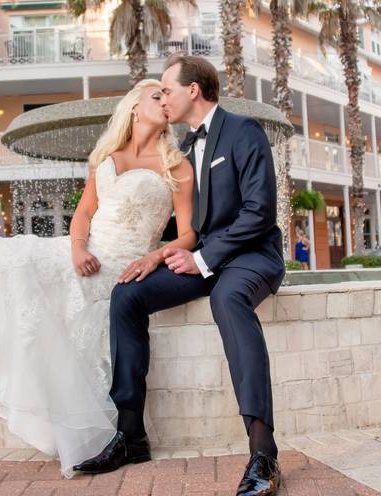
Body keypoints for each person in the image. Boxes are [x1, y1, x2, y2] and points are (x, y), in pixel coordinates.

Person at [0, 79, 196, 477]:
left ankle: (119, 435)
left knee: (56, 294)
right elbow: (83, 214)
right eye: (156, 95)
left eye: (168, 97)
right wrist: (78, 248)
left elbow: (188, 234)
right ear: (133, 107)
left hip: (126, 263)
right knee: (17, 255)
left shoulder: (176, 165)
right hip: (85, 250)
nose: (165, 102)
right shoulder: (107, 157)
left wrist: (155, 256)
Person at [73, 54, 286, 496]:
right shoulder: (183, 154)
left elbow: (259, 213)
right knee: (127, 295)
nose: (162, 98)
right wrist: (158, 256)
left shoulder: (244, 132)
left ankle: (263, 452)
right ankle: (130, 436)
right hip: (202, 259)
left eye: (166, 89)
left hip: (251, 256)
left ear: (193, 90)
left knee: (227, 299)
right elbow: (187, 229)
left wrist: (203, 260)